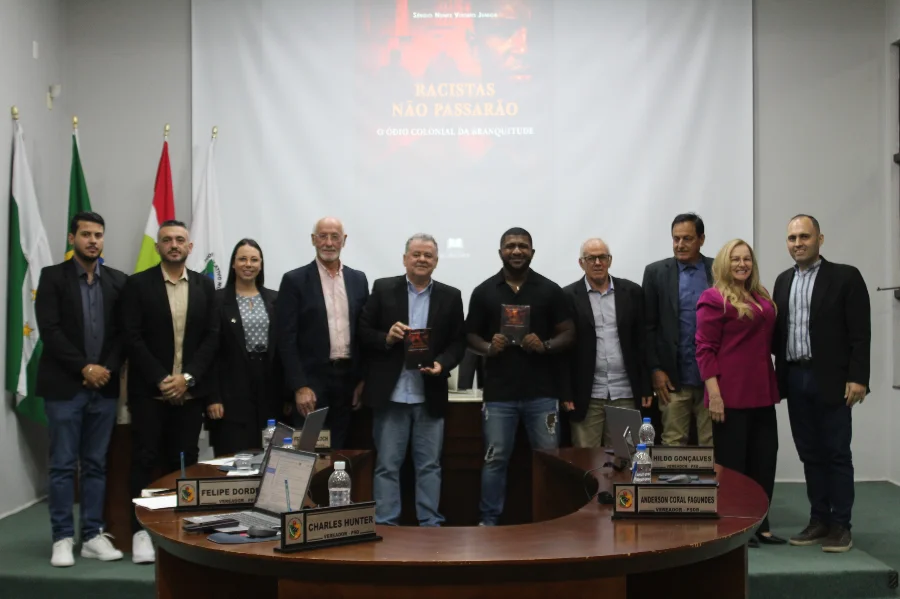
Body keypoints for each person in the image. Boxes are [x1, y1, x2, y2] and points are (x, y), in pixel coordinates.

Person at [121, 220, 219, 564]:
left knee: (185, 460)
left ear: (190, 247)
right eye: (167, 240)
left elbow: (212, 338)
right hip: (150, 393)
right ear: (158, 246)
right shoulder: (137, 285)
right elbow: (131, 337)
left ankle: (182, 527)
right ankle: (140, 533)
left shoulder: (207, 287)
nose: (174, 245)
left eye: (180, 240)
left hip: (190, 394)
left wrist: (187, 378)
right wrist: (164, 378)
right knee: (145, 459)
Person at [773, 215, 870, 553]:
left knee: (836, 453)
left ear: (820, 239)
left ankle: (841, 525)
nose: (797, 243)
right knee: (810, 454)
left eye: (804, 236)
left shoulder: (845, 277)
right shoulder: (782, 281)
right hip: (795, 377)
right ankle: (819, 519)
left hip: (832, 380)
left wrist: (859, 377)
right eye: (791, 238)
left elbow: (860, 333)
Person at [35, 212, 127, 567]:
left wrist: (105, 369)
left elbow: (122, 334)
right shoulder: (52, 277)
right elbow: (50, 330)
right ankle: (61, 537)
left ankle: (91, 535)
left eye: (98, 235)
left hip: (103, 388)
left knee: (95, 465)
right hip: (65, 388)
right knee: (61, 465)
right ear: (72, 237)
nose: (93, 240)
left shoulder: (117, 281)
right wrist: (83, 367)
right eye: (86, 234)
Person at [466, 227, 574, 526]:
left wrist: (546, 345)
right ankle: (488, 522)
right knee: (494, 460)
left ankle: (552, 520)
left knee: (549, 460)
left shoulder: (550, 290)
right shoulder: (484, 291)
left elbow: (569, 332)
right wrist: (489, 347)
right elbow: (469, 335)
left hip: (543, 394)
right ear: (500, 252)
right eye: (510, 246)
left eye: (523, 246)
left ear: (532, 252)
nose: (517, 251)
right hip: (499, 396)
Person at [358, 234, 466, 526]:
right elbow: (363, 332)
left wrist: (442, 364)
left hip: (428, 395)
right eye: (416, 254)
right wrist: (386, 337)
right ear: (405, 258)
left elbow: (459, 343)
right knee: (387, 466)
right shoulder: (383, 289)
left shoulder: (451, 295)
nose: (421, 259)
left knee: (430, 466)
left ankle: (430, 524)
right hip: (391, 396)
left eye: (428, 255)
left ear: (436, 261)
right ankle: (386, 523)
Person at [695, 239, 785, 548]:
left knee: (764, 460)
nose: (742, 264)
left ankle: (761, 525)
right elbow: (704, 350)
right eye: (735, 259)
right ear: (723, 263)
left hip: (762, 392)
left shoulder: (760, 296)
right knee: (734, 467)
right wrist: (714, 395)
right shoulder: (713, 298)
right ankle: (737, 528)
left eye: (747, 259)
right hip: (729, 396)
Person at [276, 217, 368, 450]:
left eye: (334, 236)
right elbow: (285, 339)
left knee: (341, 454)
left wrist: (361, 380)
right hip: (311, 384)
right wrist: (299, 386)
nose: (328, 242)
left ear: (344, 241)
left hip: (347, 382)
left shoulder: (358, 280)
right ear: (313, 240)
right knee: (306, 455)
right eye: (323, 236)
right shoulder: (294, 280)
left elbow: (363, 334)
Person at [563, 238, 652, 448]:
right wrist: (565, 392)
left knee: (626, 460)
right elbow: (564, 351)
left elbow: (643, 342)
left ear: (609, 260)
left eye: (602, 257)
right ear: (581, 263)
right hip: (587, 394)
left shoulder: (632, 292)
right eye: (590, 258)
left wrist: (646, 385)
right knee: (586, 463)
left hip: (625, 392)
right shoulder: (567, 296)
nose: (597, 262)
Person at [642, 213, 714, 447]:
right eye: (676, 239)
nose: (680, 245)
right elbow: (648, 326)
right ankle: (672, 486)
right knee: (672, 443)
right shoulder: (656, 273)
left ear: (701, 239)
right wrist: (655, 369)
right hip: (673, 379)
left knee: (711, 445)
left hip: (711, 379)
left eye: (687, 239)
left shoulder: (718, 269)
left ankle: (714, 486)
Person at [207, 239, 282, 456]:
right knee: (233, 457)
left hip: (269, 390)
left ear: (261, 264)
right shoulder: (218, 299)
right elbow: (209, 351)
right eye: (242, 259)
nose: (248, 264)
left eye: (254, 259)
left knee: (270, 457)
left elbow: (282, 349)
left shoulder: (275, 299)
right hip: (231, 392)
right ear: (233, 264)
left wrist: (286, 395)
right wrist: (213, 397)